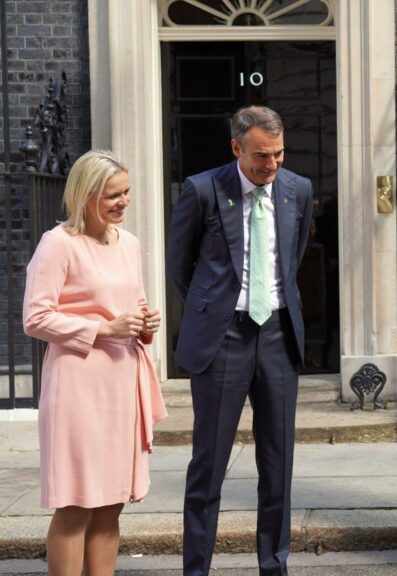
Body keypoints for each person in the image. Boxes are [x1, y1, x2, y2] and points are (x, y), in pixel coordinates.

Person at [167, 105, 313, 576]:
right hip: (223, 337)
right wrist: (213, 312)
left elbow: (294, 258)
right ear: (236, 148)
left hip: (277, 335)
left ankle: (274, 566)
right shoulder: (203, 189)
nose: (270, 166)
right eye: (259, 157)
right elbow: (179, 267)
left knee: (278, 466)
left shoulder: (298, 191)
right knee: (208, 466)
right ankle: (197, 570)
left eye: (278, 154)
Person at [23, 149, 167, 575]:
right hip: (78, 385)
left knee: (110, 503)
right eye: (112, 196)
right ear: (84, 196)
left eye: (126, 192)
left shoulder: (129, 243)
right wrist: (102, 329)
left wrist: (144, 322)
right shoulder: (58, 244)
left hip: (122, 382)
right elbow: (36, 317)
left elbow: (131, 303)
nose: (123, 202)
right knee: (75, 503)